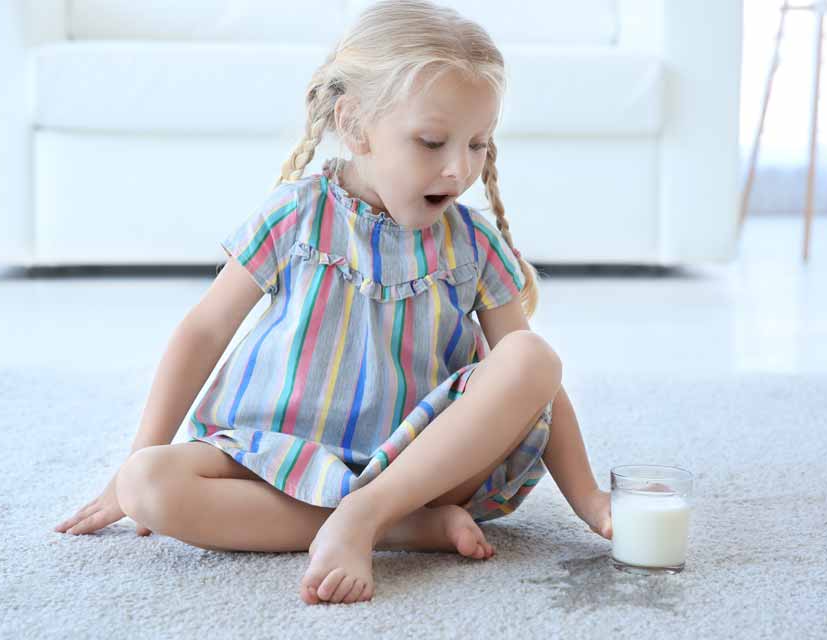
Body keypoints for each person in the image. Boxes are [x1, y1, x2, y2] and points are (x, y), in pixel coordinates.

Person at [53, 0, 613, 606]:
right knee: (146, 484)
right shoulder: (296, 216)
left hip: (422, 464)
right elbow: (203, 332)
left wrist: (589, 500)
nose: (459, 169)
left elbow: (535, 384)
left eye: (479, 144)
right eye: (432, 142)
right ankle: (399, 528)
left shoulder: (472, 243)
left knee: (530, 354)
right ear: (354, 125)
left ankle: (373, 510)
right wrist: (131, 462)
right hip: (282, 454)